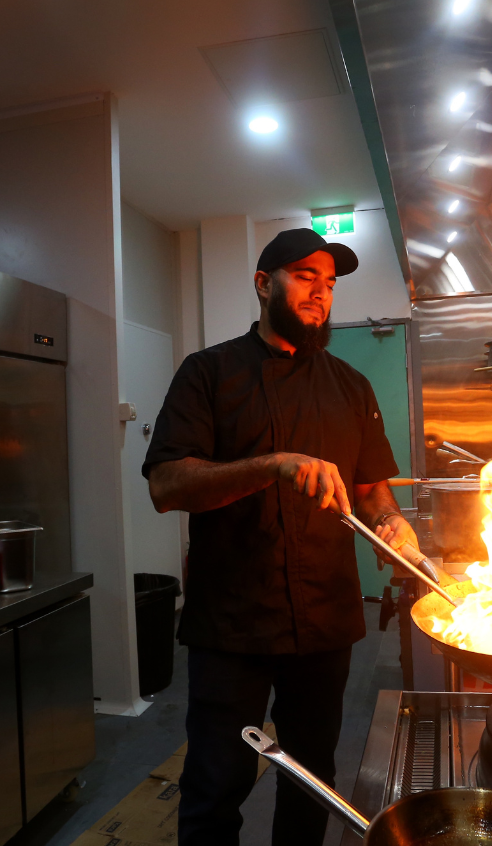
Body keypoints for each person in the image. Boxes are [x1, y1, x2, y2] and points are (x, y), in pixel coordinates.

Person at [143, 228, 430, 846]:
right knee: (217, 780)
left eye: (328, 284)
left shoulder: (352, 386)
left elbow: (371, 488)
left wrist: (390, 525)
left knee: (311, 777)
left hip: (325, 616)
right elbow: (167, 485)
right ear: (262, 284)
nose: (320, 294)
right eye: (305, 277)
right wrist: (272, 465)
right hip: (233, 622)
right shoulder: (209, 373)